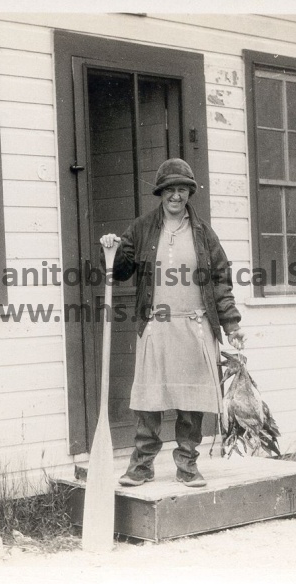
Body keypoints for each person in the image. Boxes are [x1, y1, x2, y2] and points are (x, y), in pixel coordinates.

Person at [100, 158, 245, 488]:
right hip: (157, 324)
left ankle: (188, 464)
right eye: (169, 190)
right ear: (160, 193)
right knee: (150, 399)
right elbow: (120, 271)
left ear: (189, 193)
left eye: (182, 190)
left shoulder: (204, 234)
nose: (176, 196)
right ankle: (142, 465)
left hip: (195, 326)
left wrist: (232, 324)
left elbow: (221, 280)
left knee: (191, 401)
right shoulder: (142, 228)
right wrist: (113, 250)